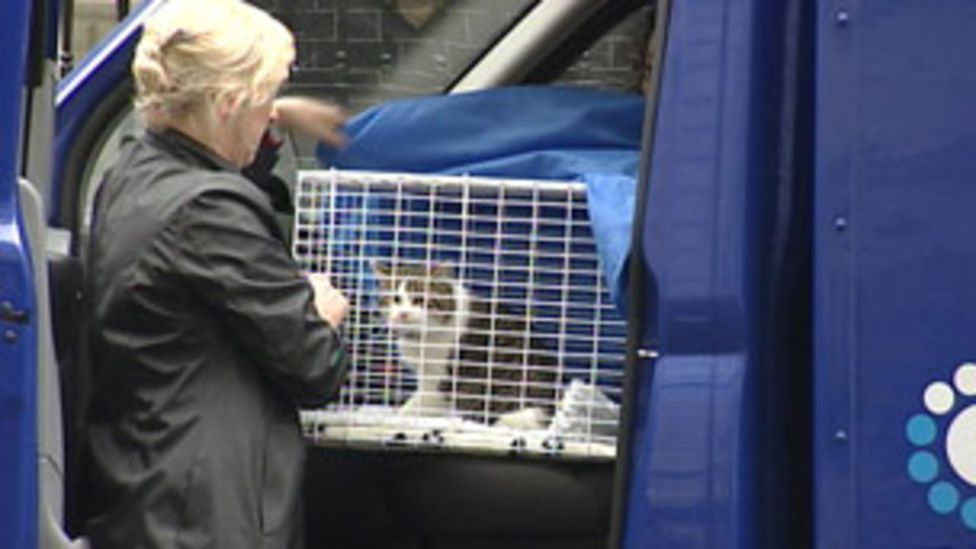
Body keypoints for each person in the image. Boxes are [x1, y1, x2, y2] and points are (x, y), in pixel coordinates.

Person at [83, 1, 350, 547]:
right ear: (229, 104)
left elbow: (220, 154)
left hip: (152, 486)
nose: (271, 112)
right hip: (207, 518)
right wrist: (321, 313)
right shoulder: (211, 210)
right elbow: (313, 367)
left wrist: (277, 115)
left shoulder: (134, 171)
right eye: (265, 100)